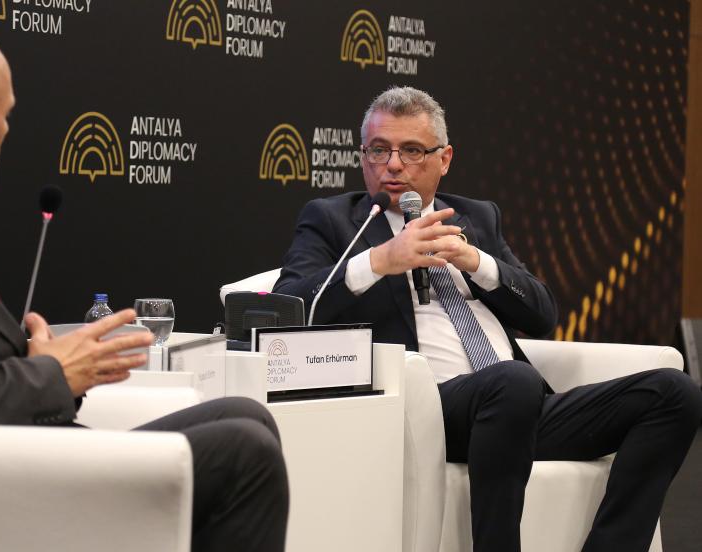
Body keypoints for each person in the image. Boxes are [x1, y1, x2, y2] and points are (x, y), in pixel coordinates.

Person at [0, 20, 287, 552]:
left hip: (22, 450)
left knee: (246, 414)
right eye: (5, 117)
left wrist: (34, 357)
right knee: (245, 454)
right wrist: (50, 373)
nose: (6, 132)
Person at [274, 85, 702, 551]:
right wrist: (380, 260)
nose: (392, 165)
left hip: (522, 406)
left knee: (674, 393)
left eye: (411, 150)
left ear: (444, 159)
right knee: (512, 382)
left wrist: (478, 262)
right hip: (430, 410)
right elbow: (288, 307)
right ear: (363, 157)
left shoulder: (477, 218)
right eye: (379, 150)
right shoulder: (334, 221)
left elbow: (542, 316)